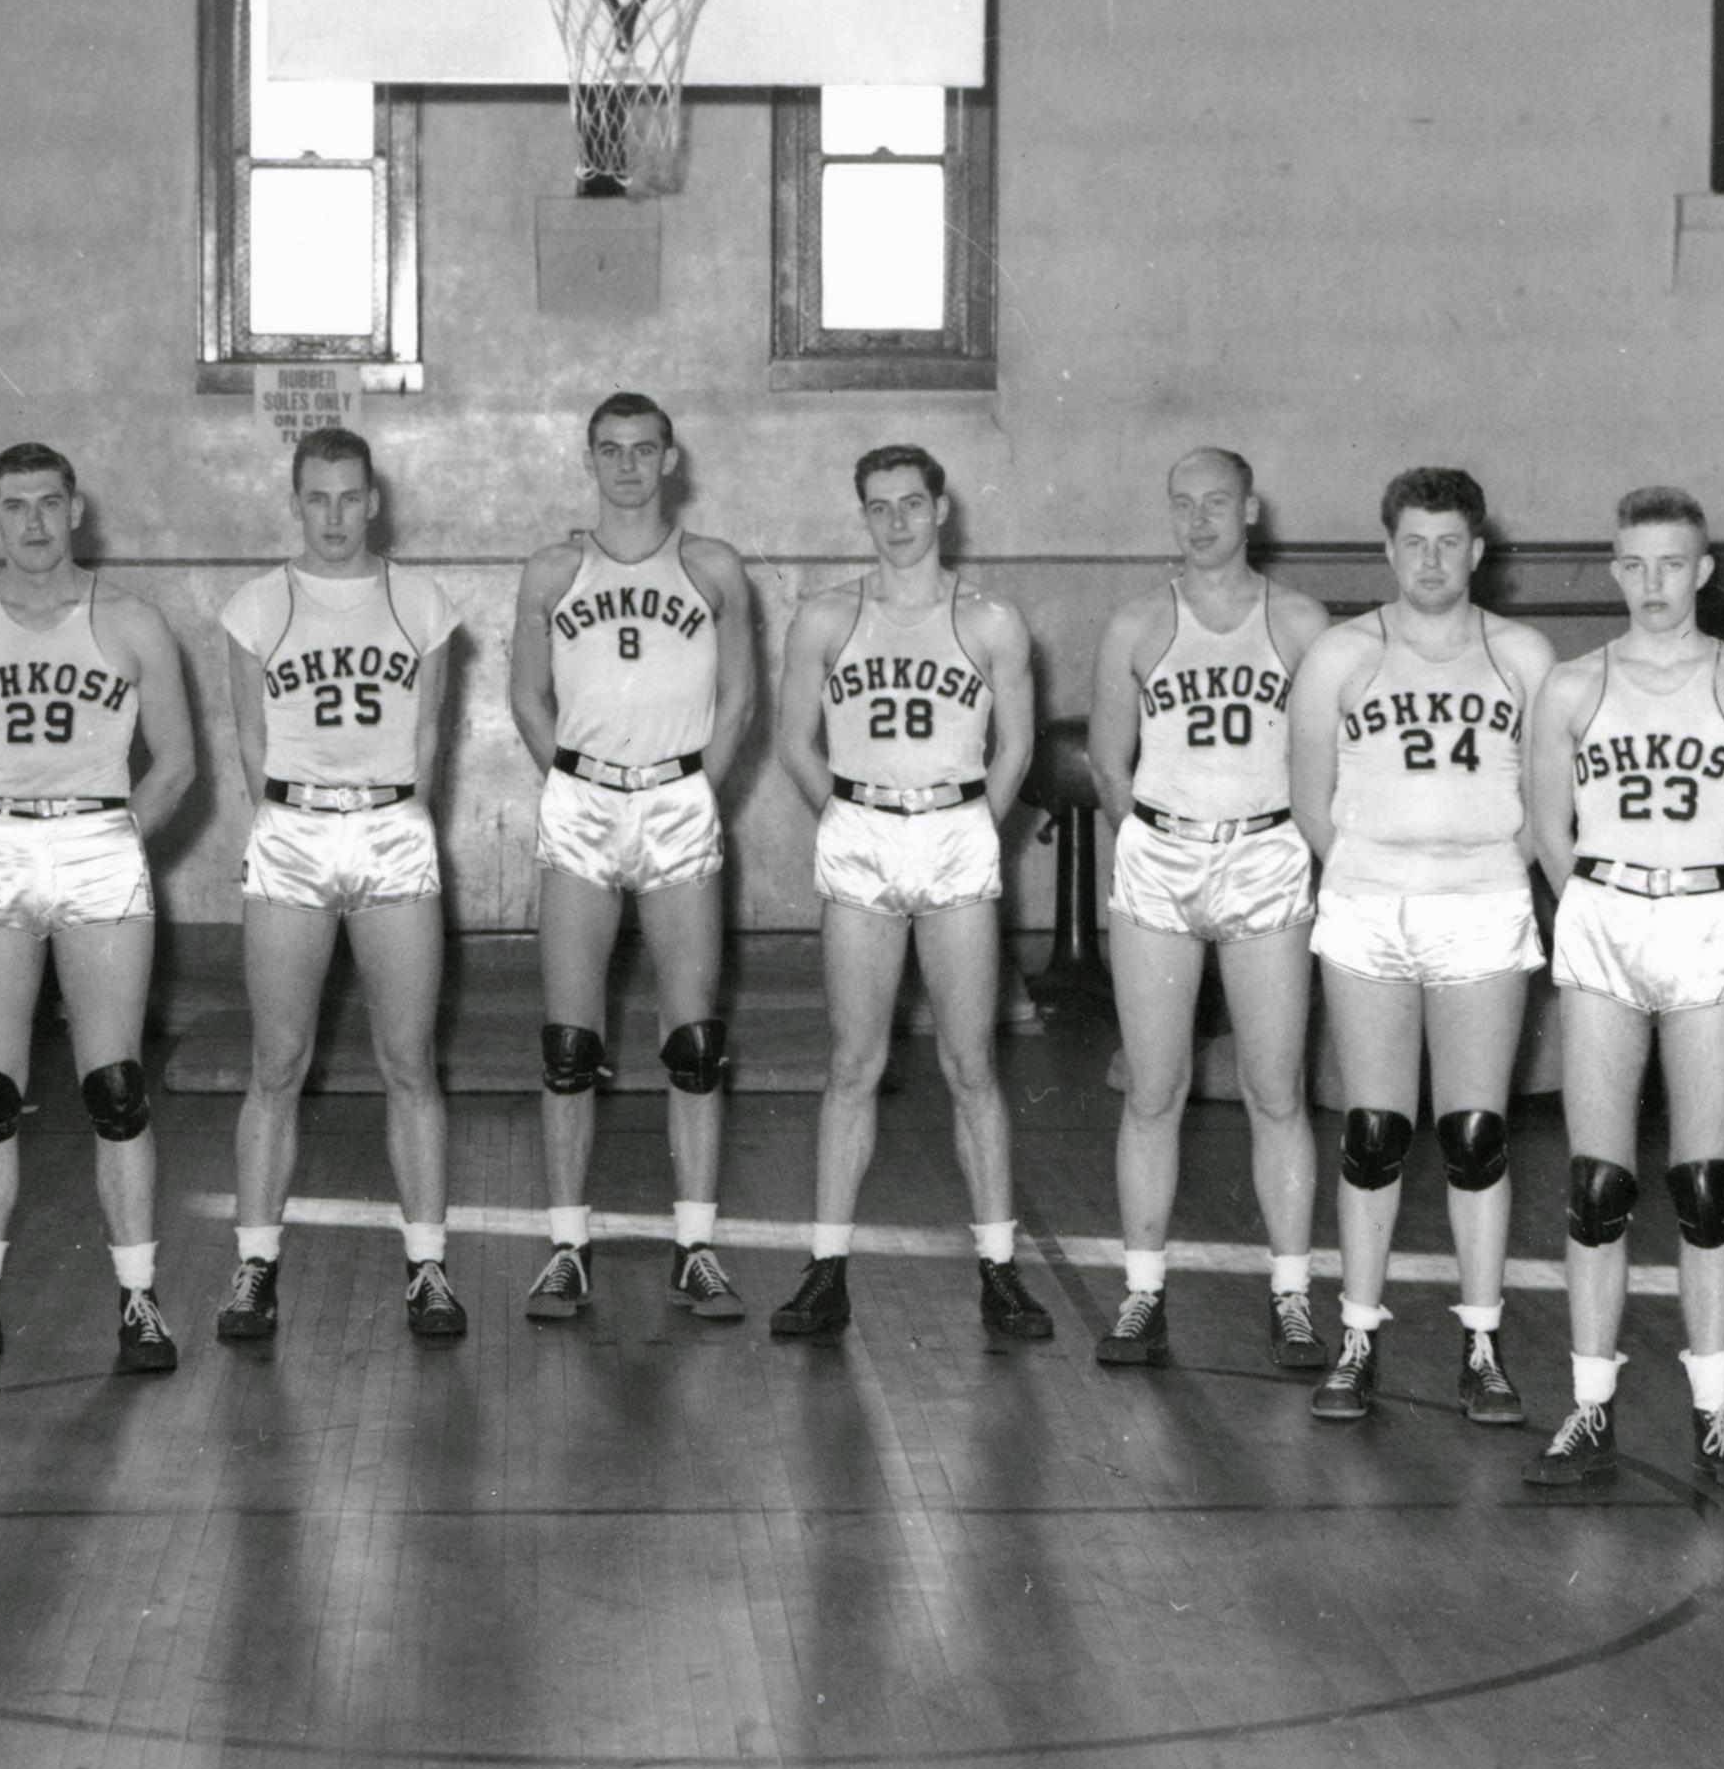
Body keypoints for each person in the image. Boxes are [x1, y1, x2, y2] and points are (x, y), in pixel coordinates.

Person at [1519, 486, 1724, 1491]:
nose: (1654, 584)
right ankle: (1589, 1403)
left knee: (1707, 1184)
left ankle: (1716, 1409)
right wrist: (1598, 905)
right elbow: (1548, 825)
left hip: (1710, 914)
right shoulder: (1575, 685)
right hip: (1605, 911)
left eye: (1674, 563)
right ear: (1615, 569)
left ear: (1705, 570)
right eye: (1635, 564)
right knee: (1597, 1184)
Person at [0, 443, 196, 1376]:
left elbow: (179, 762)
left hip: (98, 845)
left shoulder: (130, 620)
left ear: (76, 508)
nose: (32, 520)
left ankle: (140, 1302)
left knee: (114, 1088)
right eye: (13, 504)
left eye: (47, 502)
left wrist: (113, 839)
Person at [766, 445, 1052, 1344]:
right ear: (864, 515)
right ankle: (826, 1269)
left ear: (941, 510)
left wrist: (973, 826)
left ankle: (1000, 1271)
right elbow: (794, 742)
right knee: (853, 1062)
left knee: (970, 1065)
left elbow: (1014, 746)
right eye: (879, 506)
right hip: (859, 827)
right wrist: (847, 818)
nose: (896, 521)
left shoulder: (991, 620)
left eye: (911, 504)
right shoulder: (824, 616)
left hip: (954, 828)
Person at [1294, 468, 1556, 1426]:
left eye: (1450, 542)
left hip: (1482, 904)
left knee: (1475, 1134)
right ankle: (1358, 1335)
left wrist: (1482, 868)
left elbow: (1547, 799)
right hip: (1368, 904)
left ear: (1478, 550)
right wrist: (1374, 869)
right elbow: (1307, 797)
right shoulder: (1340, 654)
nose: (1432, 560)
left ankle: (1480, 1345)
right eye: (1414, 541)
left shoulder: (1522, 654)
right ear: (1388, 548)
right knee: (1373, 1131)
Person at [508, 393, 758, 1326]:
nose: (625, 465)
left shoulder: (712, 566)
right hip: (582, 798)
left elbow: (737, 702)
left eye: (641, 449)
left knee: (693, 1042)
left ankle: (695, 1245)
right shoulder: (550, 568)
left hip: (678, 798)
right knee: (569, 1044)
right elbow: (526, 695)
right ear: (589, 459)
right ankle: (565, 1247)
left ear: (668, 460)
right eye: (609, 450)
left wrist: (694, 789)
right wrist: (577, 780)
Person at [217, 428, 464, 1343]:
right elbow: (249, 743)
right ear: (295, 500)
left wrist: (393, 819)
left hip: (392, 827)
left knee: (409, 1062)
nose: (333, 515)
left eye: (349, 497)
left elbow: (430, 739)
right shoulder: (255, 605)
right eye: (315, 497)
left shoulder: (422, 601)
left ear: (374, 500)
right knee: (275, 1064)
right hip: (292, 830)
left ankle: (428, 1266)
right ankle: (252, 1267)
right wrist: (293, 823)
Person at [1085, 447, 1328, 1368]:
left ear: (1250, 509)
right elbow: (1110, 764)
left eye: (1215, 501)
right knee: (1153, 1090)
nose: (1198, 519)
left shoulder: (1300, 621)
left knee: (1275, 1089)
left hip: (1266, 852)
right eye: (1181, 503)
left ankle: (1293, 1296)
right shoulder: (1137, 623)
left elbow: (1329, 758)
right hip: (1160, 855)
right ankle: (1142, 1290)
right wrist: (1158, 840)